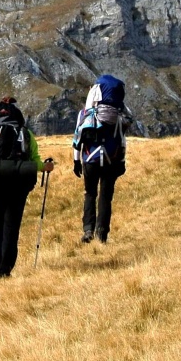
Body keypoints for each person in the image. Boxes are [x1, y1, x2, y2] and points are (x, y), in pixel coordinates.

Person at [0, 96, 54, 278]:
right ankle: (5, 269)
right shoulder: (25, 133)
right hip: (17, 184)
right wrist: (46, 167)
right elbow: (34, 160)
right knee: (11, 225)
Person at [73, 75, 134, 244]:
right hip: (111, 161)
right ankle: (102, 234)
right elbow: (124, 134)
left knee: (90, 193)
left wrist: (76, 161)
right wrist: (121, 162)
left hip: (90, 160)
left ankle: (88, 230)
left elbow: (77, 139)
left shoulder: (85, 114)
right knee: (106, 196)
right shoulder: (120, 117)